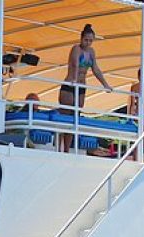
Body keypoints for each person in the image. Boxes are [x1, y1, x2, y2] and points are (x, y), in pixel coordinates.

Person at [59, 24, 112, 153]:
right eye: (86, 40)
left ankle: (67, 148)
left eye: (90, 40)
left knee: (75, 116)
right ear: (81, 38)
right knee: (65, 116)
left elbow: (95, 69)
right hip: (70, 85)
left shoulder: (91, 52)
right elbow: (75, 64)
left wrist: (105, 84)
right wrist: (75, 80)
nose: (88, 43)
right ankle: (60, 147)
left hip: (81, 87)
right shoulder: (76, 49)